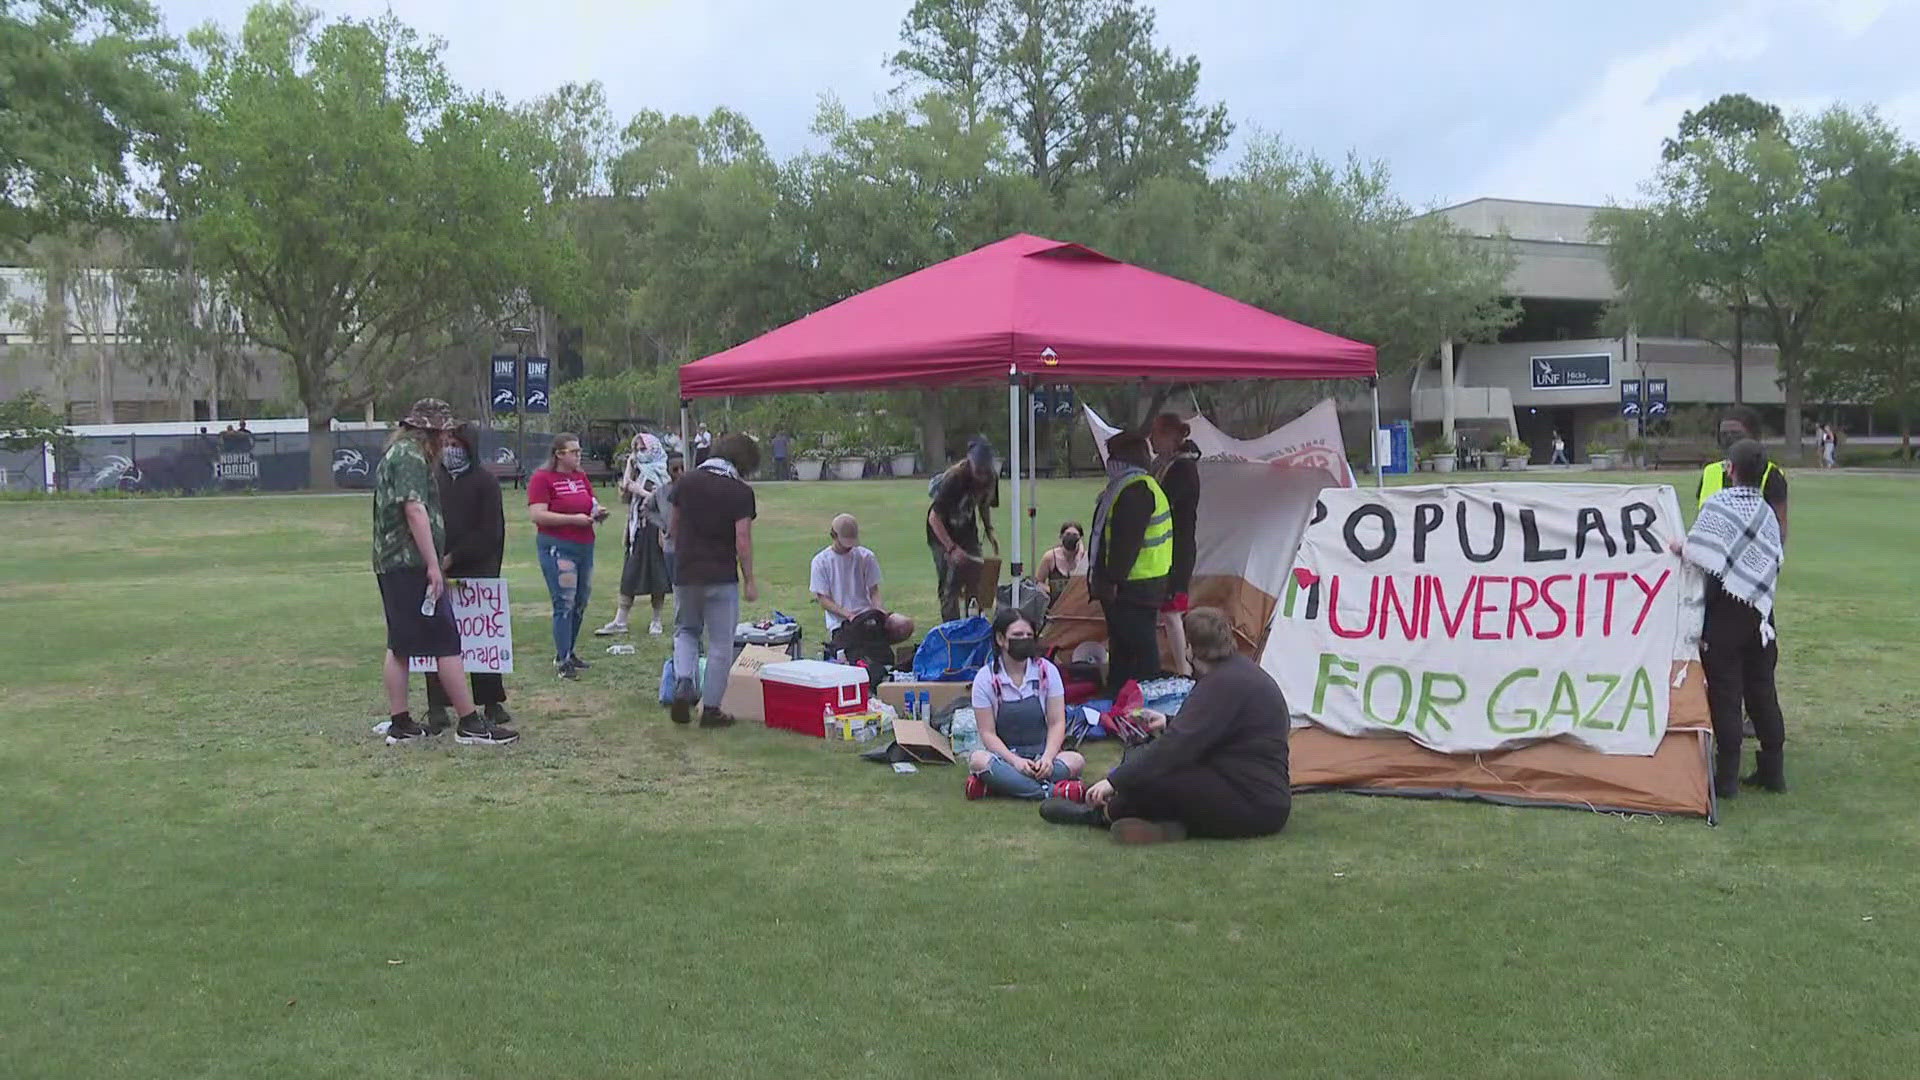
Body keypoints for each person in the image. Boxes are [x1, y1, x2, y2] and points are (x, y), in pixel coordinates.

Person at [1040, 607, 1289, 843]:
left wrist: (1115, 780)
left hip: (1253, 803)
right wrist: (1167, 722)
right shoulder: (1237, 674)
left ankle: (1102, 813)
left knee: (1154, 777)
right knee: (1144, 758)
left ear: (1190, 648)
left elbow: (1175, 748)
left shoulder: (1222, 683)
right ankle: (1170, 826)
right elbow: (1214, 730)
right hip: (1256, 795)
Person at [371, 398, 516, 745]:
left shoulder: (399, 453)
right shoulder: (408, 457)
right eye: (444, 433)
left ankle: (401, 721)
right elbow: (414, 510)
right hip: (410, 562)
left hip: (394, 561)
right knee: (446, 641)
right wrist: (434, 565)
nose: (447, 441)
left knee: (401, 644)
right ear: (430, 431)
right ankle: (470, 723)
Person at [1671, 439, 1788, 798]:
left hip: (1724, 614)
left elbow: (1697, 551)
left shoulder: (1719, 505)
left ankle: (1726, 780)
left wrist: (1679, 548)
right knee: (1762, 690)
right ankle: (1773, 772)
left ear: (1730, 470)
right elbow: (1772, 556)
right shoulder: (1767, 512)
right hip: (1760, 614)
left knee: (1726, 693)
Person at [420, 423, 514, 732]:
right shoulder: (433, 480)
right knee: (436, 636)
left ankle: (490, 700)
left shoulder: (485, 482)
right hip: (437, 567)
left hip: (477, 568)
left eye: (455, 443)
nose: (450, 449)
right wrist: (435, 559)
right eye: (445, 443)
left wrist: (455, 557)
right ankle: (437, 704)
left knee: (481, 638)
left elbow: (489, 532)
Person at [669, 433, 760, 727]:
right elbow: (742, 541)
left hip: (686, 571)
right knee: (721, 643)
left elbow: (673, 525)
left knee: (686, 630)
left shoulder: (686, 482)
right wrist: (749, 580)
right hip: (721, 575)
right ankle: (711, 709)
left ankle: (684, 681)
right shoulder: (740, 492)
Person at [963, 609, 1086, 802]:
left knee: (1076, 761)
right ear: (1001, 639)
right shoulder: (985, 679)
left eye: (1029, 635)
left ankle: (1000, 786)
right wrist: (1016, 762)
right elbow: (987, 733)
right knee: (978, 760)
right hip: (1005, 757)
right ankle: (1051, 792)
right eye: (1017, 636)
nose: (1025, 640)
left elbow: (1057, 722)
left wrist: (1047, 758)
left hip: (1042, 755)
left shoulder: (1047, 671)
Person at [1088, 431, 1171, 695]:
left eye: (1112, 456)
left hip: (1134, 586)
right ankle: (1118, 695)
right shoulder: (1132, 486)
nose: (1108, 462)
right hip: (1137, 584)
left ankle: (1147, 701)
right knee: (1124, 647)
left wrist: (1112, 580)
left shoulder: (1135, 490)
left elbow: (1127, 542)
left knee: (1140, 650)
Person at [528, 432, 609, 680]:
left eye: (578, 451)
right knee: (564, 601)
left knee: (580, 601)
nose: (578, 455)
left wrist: (598, 511)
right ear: (559, 454)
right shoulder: (543, 479)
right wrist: (572, 520)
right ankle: (562, 659)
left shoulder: (580, 476)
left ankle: (570, 650)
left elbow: (590, 502)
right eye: (573, 451)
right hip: (558, 546)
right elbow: (538, 514)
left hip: (584, 544)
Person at [596, 433, 674, 637]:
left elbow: (662, 498)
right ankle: (620, 619)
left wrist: (639, 490)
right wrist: (630, 468)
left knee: (657, 574)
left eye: (643, 449)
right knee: (629, 573)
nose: (640, 453)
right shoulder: (638, 472)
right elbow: (624, 495)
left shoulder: (661, 471)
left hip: (655, 528)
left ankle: (656, 619)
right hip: (636, 529)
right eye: (636, 449)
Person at [925, 435, 1000, 623]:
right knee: (950, 585)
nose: (982, 474)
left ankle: (973, 622)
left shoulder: (991, 477)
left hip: (967, 530)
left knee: (976, 575)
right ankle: (953, 628)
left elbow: (984, 503)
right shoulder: (954, 479)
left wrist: (989, 529)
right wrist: (951, 548)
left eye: (985, 469)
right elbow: (934, 517)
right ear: (970, 461)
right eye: (979, 469)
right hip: (942, 533)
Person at [1150, 413, 1201, 678]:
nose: (1151, 440)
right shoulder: (1165, 465)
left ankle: (1184, 669)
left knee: (1172, 613)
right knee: (1170, 613)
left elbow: (1162, 502)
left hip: (1176, 550)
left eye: (1156, 434)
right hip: (1166, 550)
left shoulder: (1182, 468)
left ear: (1171, 436)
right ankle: (1185, 663)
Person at [810, 514, 913, 642]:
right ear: (834, 536)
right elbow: (824, 600)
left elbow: (873, 590)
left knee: (904, 625)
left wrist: (879, 610)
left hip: (868, 613)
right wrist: (849, 615)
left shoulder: (866, 556)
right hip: (842, 620)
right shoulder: (821, 561)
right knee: (858, 639)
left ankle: (878, 644)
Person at [1697, 405, 1788, 545]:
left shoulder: (1770, 473)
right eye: (1724, 434)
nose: (1729, 439)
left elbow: (1779, 527)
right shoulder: (1710, 472)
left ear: (1754, 436)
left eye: (1736, 434)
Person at [1036, 521, 1088, 603]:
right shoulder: (1050, 558)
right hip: (1054, 606)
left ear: (1080, 538)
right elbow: (1038, 582)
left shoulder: (1085, 559)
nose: (1071, 538)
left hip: (1077, 606)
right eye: (1067, 534)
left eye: (1075, 535)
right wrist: (1051, 591)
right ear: (1061, 536)